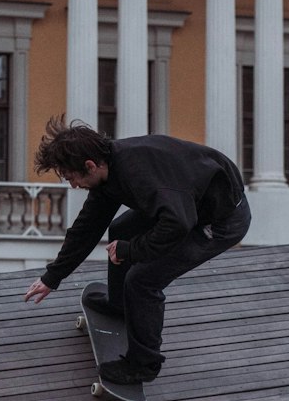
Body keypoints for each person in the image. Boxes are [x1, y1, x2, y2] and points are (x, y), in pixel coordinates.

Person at [23, 116, 252, 385]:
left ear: (89, 165)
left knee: (143, 280)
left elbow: (178, 225)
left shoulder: (139, 174)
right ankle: (120, 305)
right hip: (188, 204)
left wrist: (130, 251)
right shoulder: (108, 173)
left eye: (72, 178)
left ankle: (143, 364)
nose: (73, 185)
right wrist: (53, 277)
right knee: (120, 229)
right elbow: (87, 228)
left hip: (220, 220)